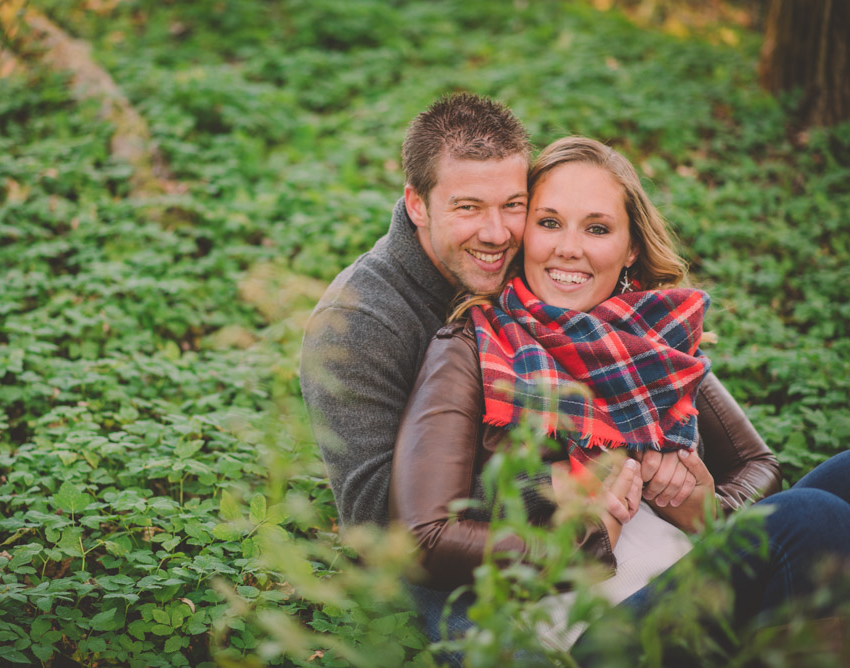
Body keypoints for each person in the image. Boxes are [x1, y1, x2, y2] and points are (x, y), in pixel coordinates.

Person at [389, 136, 850, 659]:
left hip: (689, 565)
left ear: (631, 248)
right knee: (811, 517)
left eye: (597, 228)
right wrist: (582, 536)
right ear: (523, 235)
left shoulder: (650, 339)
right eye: (549, 222)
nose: (569, 247)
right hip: (598, 622)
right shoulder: (473, 347)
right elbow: (423, 538)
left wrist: (706, 508)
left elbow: (757, 464)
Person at [300, 92, 532, 528]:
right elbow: (376, 515)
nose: (497, 234)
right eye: (468, 207)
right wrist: (548, 487)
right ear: (417, 205)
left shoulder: (538, 264)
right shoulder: (356, 323)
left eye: (513, 205)